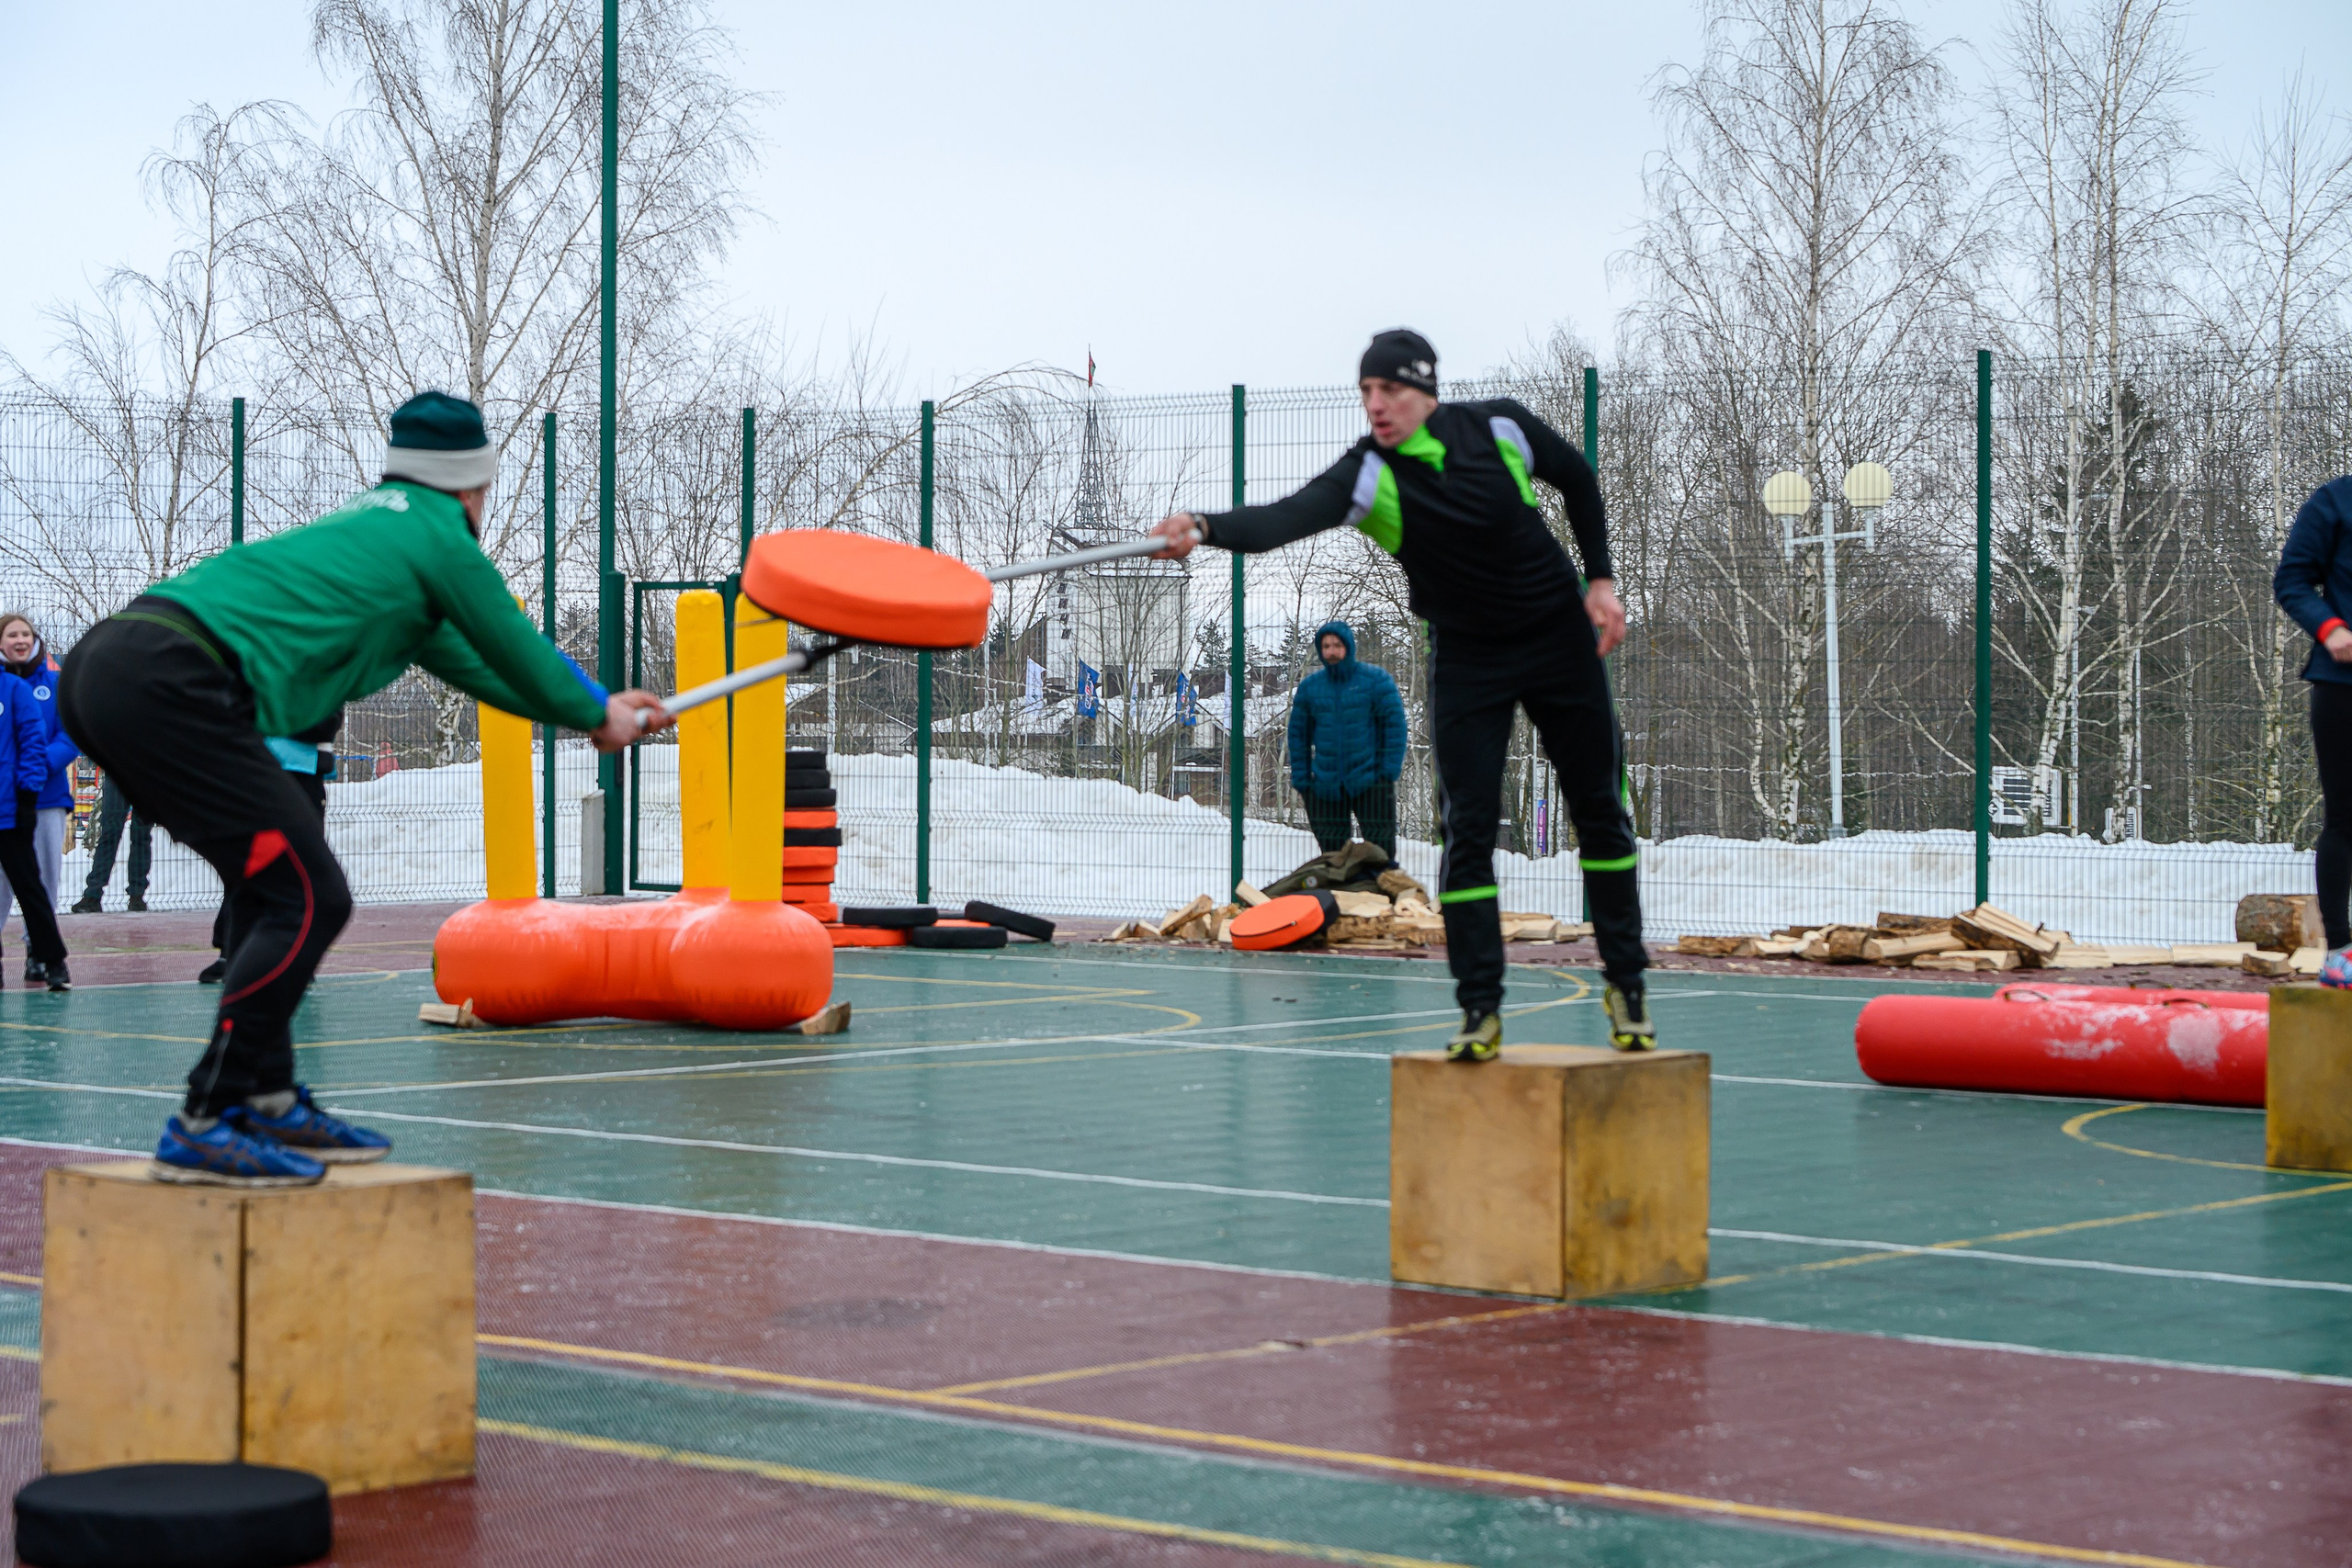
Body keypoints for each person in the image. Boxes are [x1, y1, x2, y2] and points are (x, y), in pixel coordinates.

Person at [60, 390, 672, 1186]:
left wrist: (592, 709)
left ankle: (270, 1099)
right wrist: (597, 710)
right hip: (169, 678)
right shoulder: (436, 533)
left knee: (268, 891)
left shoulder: (379, 533)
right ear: (471, 484)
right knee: (309, 895)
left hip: (116, 668)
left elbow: (481, 666)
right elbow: (514, 644)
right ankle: (208, 1118)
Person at [1151, 329, 1650, 1059]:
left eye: (1389, 390)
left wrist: (1601, 580)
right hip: (1468, 657)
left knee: (1601, 814)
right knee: (1469, 831)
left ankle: (1628, 986)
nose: (1375, 405)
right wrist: (1204, 526)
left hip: (1557, 638)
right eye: (1365, 392)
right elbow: (1284, 518)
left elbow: (1577, 477)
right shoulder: (1368, 476)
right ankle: (1480, 1008)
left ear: (1426, 390)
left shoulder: (1499, 425)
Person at [2274, 473, 2352, 983]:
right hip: (2344, 687)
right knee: (2346, 819)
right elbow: (2292, 580)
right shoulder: (2336, 501)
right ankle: (2341, 953)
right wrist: (2331, 629)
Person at [199, 715, 339, 986]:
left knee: (304, 871)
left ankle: (297, 958)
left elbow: (326, 723)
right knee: (248, 865)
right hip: (258, 772)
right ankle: (231, 951)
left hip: (303, 775)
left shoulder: (318, 682)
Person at [0, 615, 80, 974]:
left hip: (42, 797)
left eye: (25, 634)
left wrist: (35, 765)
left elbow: (70, 734)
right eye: (11, 634)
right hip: (4, 799)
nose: (19, 640)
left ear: (34, 640)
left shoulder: (55, 683)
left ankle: (39, 951)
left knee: (42, 877)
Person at [1288, 619, 1406, 862]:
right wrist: (1303, 780)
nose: (1331, 651)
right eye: (1326, 646)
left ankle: (1381, 898)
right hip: (1325, 786)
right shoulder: (1311, 687)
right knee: (1333, 860)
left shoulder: (1376, 681)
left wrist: (1387, 773)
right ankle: (1341, 899)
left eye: (1337, 645)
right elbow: (1298, 735)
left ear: (1349, 647)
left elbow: (1394, 728)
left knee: (1380, 856)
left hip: (1371, 781)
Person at [72, 773, 151, 913]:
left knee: (141, 834)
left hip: (144, 772)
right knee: (110, 833)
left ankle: (137, 896)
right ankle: (93, 895)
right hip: (118, 772)